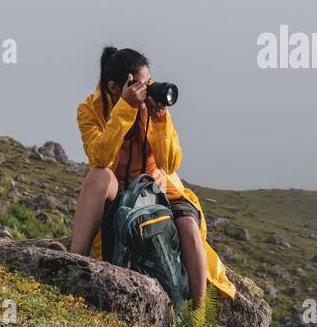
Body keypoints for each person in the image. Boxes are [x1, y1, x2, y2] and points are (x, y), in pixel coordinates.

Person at [71, 46, 234, 306]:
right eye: (141, 84)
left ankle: (198, 314)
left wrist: (160, 118)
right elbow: (100, 158)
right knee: (97, 177)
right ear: (115, 87)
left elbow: (170, 163)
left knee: (189, 225)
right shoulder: (90, 110)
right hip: (119, 190)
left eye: (150, 82)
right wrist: (125, 109)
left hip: (157, 187)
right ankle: (72, 262)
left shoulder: (151, 109)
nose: (147, 89)